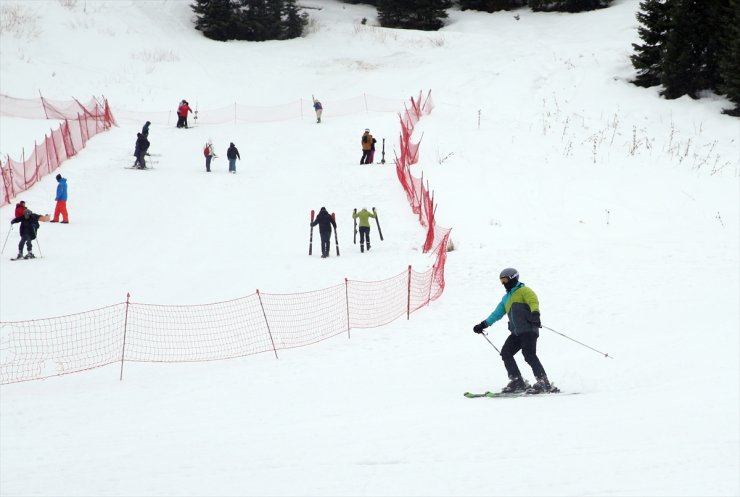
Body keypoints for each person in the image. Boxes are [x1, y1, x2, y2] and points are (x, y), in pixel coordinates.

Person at [472, 268, 554, 394]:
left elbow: (533, 302)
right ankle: (517, 381)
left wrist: (535, 314)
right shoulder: (506, 298)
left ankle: (543, 382)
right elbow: (497, 314)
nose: (503, 283)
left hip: (528, 329)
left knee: (529, 355)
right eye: (501, 281)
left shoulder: (524, 290)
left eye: (505, 280)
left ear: (513, 278)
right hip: (516, 333)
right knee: (506, 353)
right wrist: (483, 324)